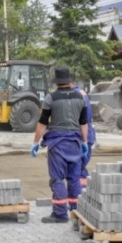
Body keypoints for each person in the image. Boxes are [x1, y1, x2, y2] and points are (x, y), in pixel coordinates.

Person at [31, 67, 88, 223]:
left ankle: (60, 214)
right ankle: (77, 212)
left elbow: (42, 122)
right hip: (75, 143)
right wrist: (84, 142)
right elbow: (84, 123)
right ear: (70, 81)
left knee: (57, 180)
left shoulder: (51, 98)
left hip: (57, 144)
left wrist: (35, 142)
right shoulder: (80, 97)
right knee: (74, 179)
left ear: (57, 82)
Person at [72, 83, 96, 187]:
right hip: (85, 135)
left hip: (82, 135)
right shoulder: (81, 93)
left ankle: (80, 195)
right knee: (79, 167)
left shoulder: (77, 95)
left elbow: (83, 120)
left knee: (79, 168)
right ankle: (82, 195)